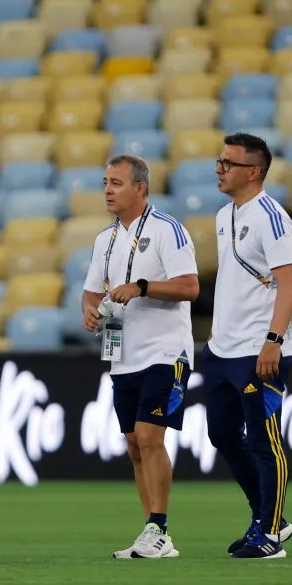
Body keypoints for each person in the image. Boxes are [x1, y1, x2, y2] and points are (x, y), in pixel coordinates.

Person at [81, 154, 200, 559]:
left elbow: (189, 287)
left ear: (141, 188)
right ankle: (151, 531)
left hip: (165, 351)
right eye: (105, 182)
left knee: (150, 437)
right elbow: (92, 290)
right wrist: (90, 310)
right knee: (134, 444)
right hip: (123, 354)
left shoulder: (169, 231)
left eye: (116, 182)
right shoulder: (104, 239)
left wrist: (142, 286)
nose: (108, 190)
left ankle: (160, 529)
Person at [202, 132, 292, 560]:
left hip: (258, 348)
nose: (220, 169)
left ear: (254, 172)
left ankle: (271, 535)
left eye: (229, 163)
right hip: (222, 348)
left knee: (266, 441)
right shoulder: (226, 215)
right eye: (220, 161)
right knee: (222, 434)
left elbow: (290, 280)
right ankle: (268, 518)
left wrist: (273, 342)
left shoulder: (271, 218)